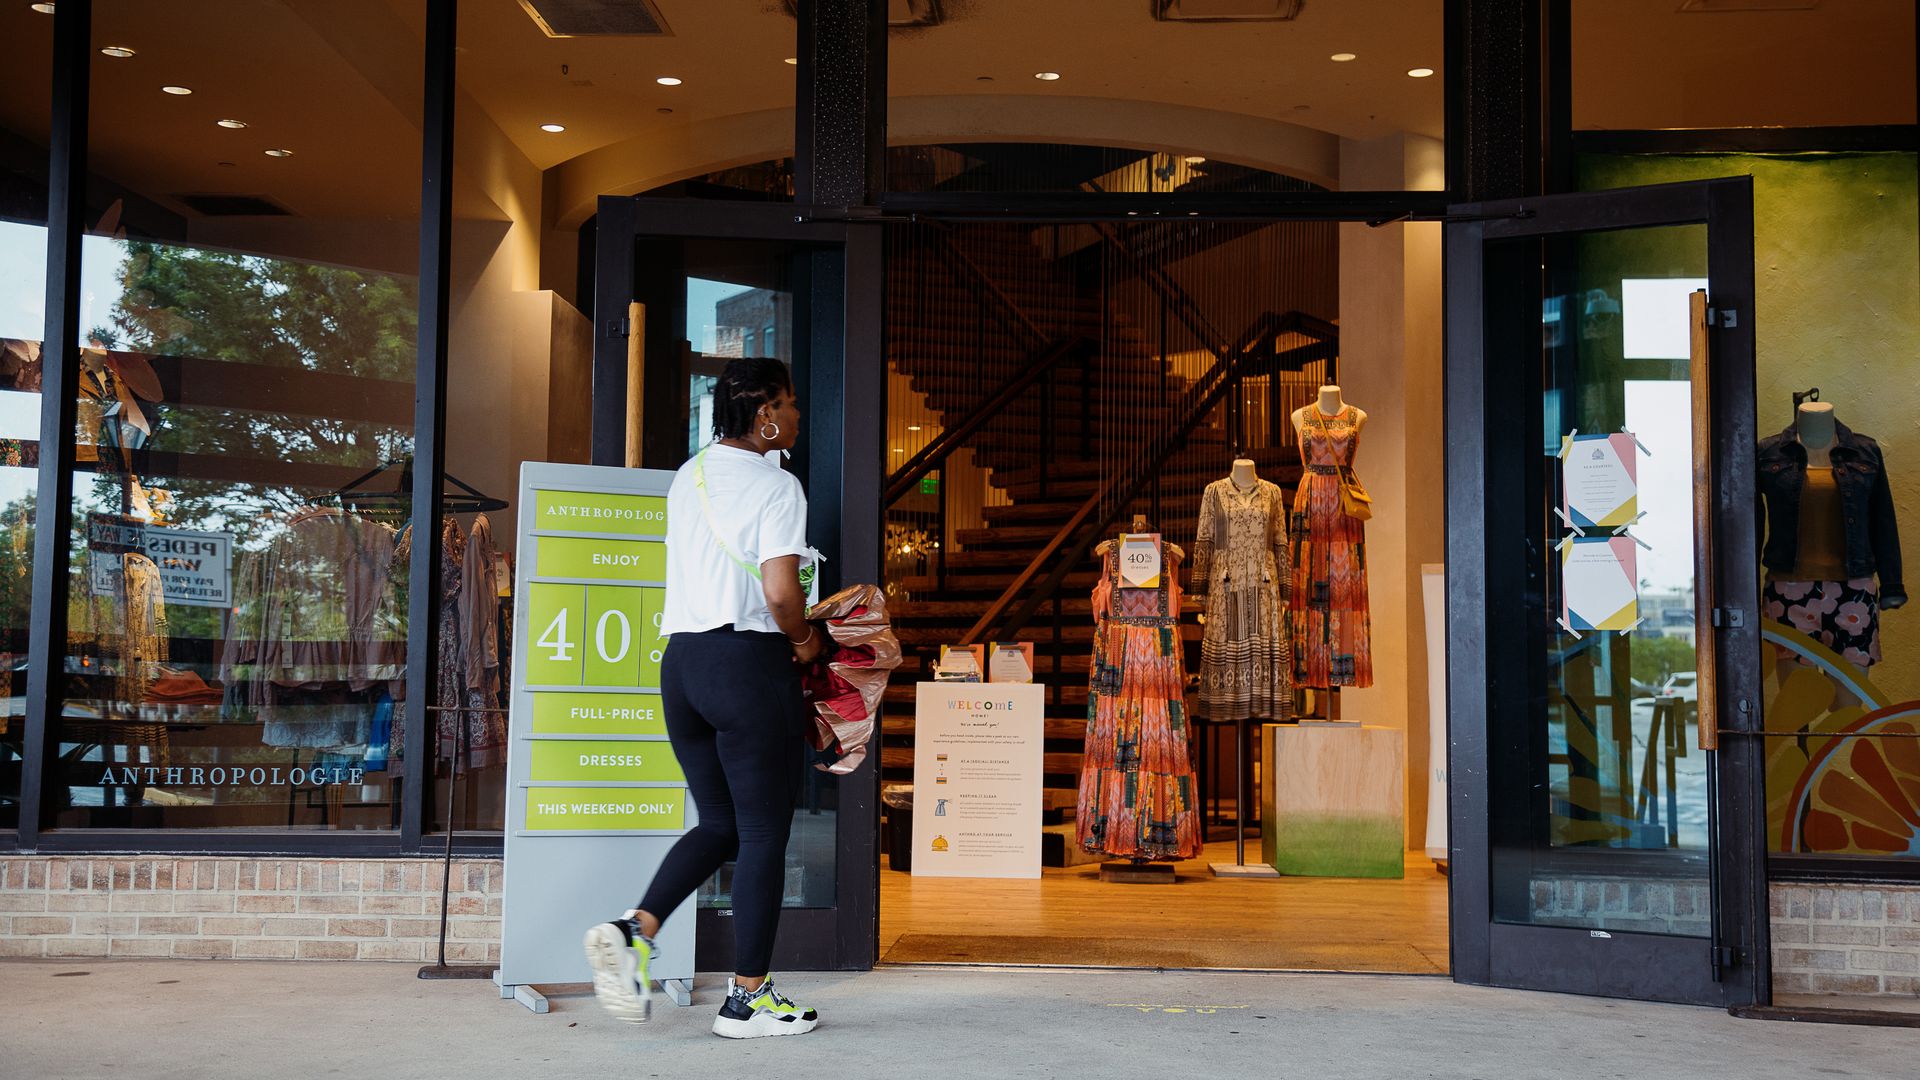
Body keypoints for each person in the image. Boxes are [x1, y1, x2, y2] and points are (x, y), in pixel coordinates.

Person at [583, 357, 825, 1039]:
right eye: (792, 403)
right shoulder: (778, 487)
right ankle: (748, 999)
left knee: (719, 822)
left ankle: (635, 929)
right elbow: (779, 593)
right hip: (745, 664)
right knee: (763, 835)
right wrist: (804, 640)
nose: (799, 416)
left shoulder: (687, 477)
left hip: (682, 666)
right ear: (765, 413)